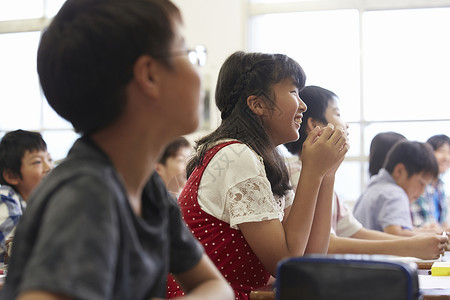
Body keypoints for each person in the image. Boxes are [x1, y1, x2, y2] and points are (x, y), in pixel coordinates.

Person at [2, 1, 234, 300]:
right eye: (186, 52)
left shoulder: (148, 189)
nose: (197, 68)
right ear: (149, 75)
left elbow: (215, 287)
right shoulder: (87, 194)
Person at [167, 51, 349, 299]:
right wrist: (312, 172)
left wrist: (326, 175)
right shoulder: (236, 155)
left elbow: (311, 258)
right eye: (294, 92)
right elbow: (285, 264)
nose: (303, 105)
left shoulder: (267, 160)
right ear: (257, 104)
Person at [284, 85, 447, 259]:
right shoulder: (299, 174)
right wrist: (408, 246)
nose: (345, 124)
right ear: (314, 125)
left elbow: (355, 231)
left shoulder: (324, 176)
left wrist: (417, 240)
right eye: (338, 114)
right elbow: (324, 246)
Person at [353, 139, 439, 237]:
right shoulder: (395, 194)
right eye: (421, 183)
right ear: (400, 171)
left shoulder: (374, 187)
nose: (422, 191)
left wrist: (435, 232)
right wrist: (434, 237)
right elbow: (395, 234)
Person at [0, 130, 53, 259]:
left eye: (49, 159)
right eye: (37, 162)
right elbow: (18, 249)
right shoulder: (6, 199)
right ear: (11, 176)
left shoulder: (35, 203)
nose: (48, 167)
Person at [411, 134, 450, 231]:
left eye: (449, 153)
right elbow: (416, 225)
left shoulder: (440, 186)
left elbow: (442, 223)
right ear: (429, 154)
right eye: (441, 151)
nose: (446, 157)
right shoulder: (419, 183)